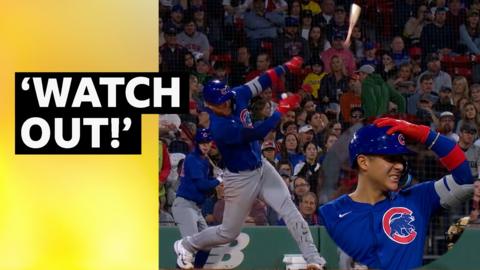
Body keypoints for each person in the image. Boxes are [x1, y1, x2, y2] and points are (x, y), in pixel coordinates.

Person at [173, 57, 326, 270]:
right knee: (228, 232)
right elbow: (258, 133)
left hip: (261, 167)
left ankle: (314, 260)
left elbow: (262, 80)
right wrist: (281, 111)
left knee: (290, 209)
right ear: (209, 105)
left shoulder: (237, 94)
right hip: (239, 178)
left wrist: (285, 67)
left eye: (226, 98)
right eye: (220, 102)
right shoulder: (220, 127)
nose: (225, 103)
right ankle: (186, 245)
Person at [319, 117, 474, 270]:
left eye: (400, 159)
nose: (400, 166)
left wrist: (423, 134)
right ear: (363, 162)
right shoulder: (330, 213)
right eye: (390, 158)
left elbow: (464, 181)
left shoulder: (419, 199)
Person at [171, 128, 222, 268]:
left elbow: (206, 185)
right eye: (202, 143)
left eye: (207, 142)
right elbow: (202, 185)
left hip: (196, 208)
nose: (205, 145)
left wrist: (214, 177)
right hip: (184, 205)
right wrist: (219, 180)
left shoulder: (204, 160)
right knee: (191, 246)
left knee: (207, 244)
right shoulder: (193, 159)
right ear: (197, 143)